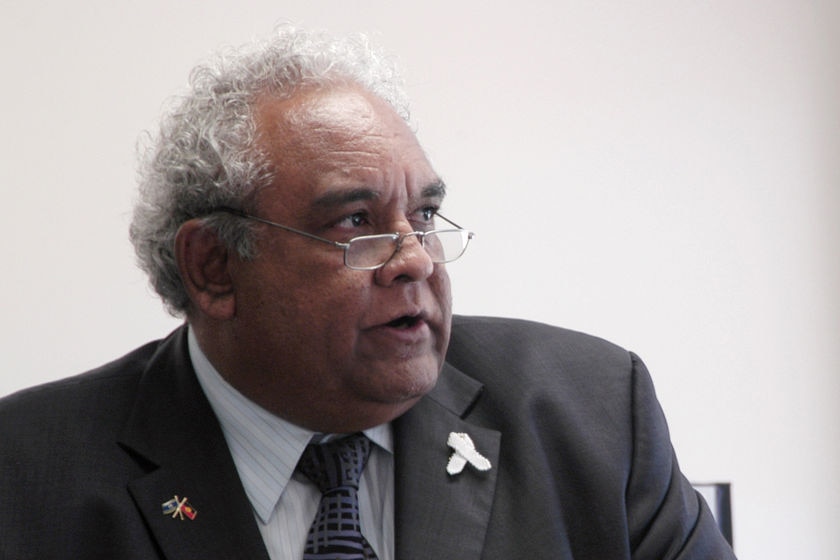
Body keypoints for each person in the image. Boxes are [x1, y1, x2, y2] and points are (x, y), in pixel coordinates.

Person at [0, 26, 736, 559]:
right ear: (215, 267)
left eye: (422, 216)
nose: (415, 260)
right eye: (357, 223)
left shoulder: (595, 415)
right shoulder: (26, 474)